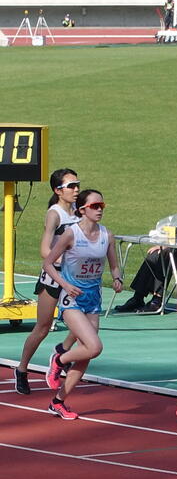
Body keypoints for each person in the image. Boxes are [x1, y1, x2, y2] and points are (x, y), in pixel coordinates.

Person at [43, 189, 123, 420]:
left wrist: (117, 279)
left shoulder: (107, 235)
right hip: (72, 299)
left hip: (93, 299)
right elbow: (48, 263)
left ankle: (58, 401)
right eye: (94, 206)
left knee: (87, 354)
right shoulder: (71, 234)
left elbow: (114, 265)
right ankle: (59, 358)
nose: (99, 210)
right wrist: (65, 286)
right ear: (82, 210)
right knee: (94, 346)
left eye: (101, 206)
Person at [15, 169, 81, 396]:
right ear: (58, 190)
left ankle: (61, 354)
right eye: (71, 186)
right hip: (54, 277)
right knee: (43, 327)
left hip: (75, 279)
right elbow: (45, 250)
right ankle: (22, 369)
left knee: (84, 327)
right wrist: (64, 258)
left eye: (77, 185)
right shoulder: (54, 214)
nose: (76, 190)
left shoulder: (80, 212)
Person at [116, 164, 177, 313]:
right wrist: (164, 241)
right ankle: (138, 296)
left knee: (165, 255)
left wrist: (170, 246)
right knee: (153, 255)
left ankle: (157, 299)